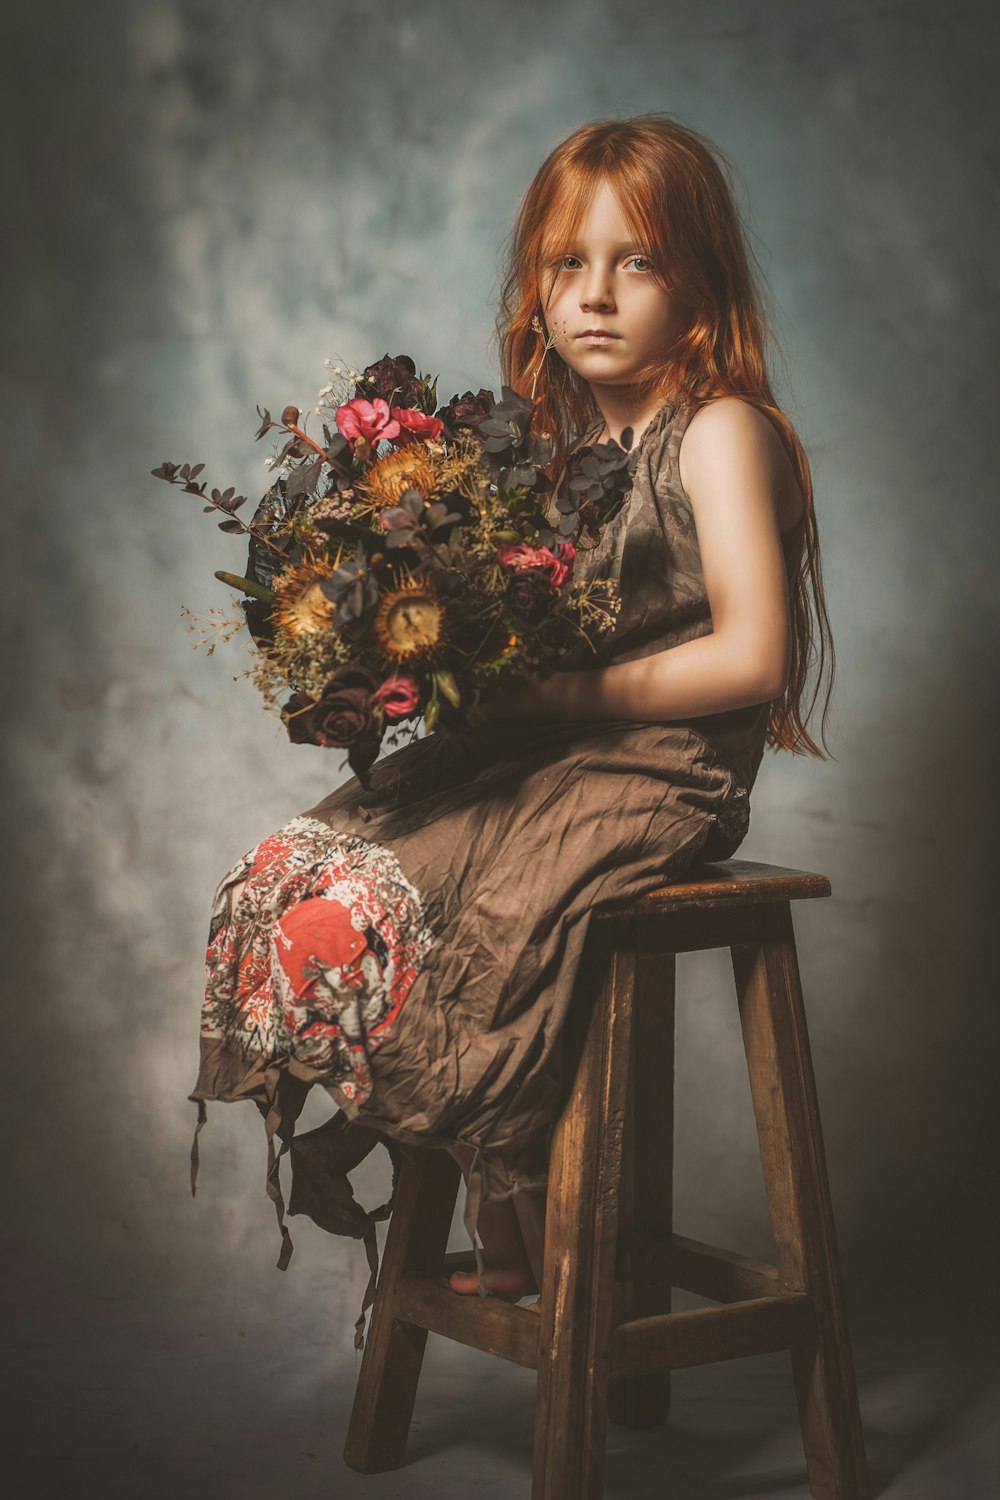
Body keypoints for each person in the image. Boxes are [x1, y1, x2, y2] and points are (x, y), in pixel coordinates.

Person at [190, 113, 835, 1335]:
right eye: (564, 264)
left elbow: (755, 655)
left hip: (660, 770)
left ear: (698, 280)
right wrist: (384, 650)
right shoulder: (545, 447)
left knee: (501, 910)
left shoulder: (720, 433)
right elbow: (508, 638)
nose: (594, 296)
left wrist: (554, 700)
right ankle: (475, 1165)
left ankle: (515, 1191)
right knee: (314, 877)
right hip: (535, 749)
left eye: (635, 262)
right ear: (533, 281)